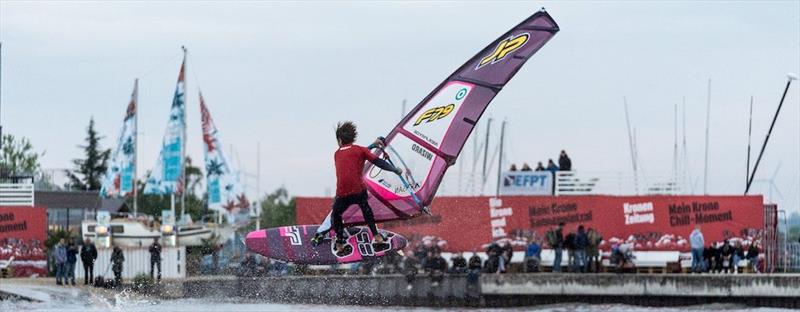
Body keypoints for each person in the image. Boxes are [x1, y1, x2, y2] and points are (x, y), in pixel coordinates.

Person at [309, 122, 403, 256]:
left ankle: (340, 242)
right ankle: (376, 235)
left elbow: (354, 154)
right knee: (366, 209)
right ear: (353, 138)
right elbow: (377, 161)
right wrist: (394, 169)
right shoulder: (360, 150)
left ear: (339, 140)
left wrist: (372, 145)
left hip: (342, 194)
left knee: (336, 214)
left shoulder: (337, 154)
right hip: (358, 191)